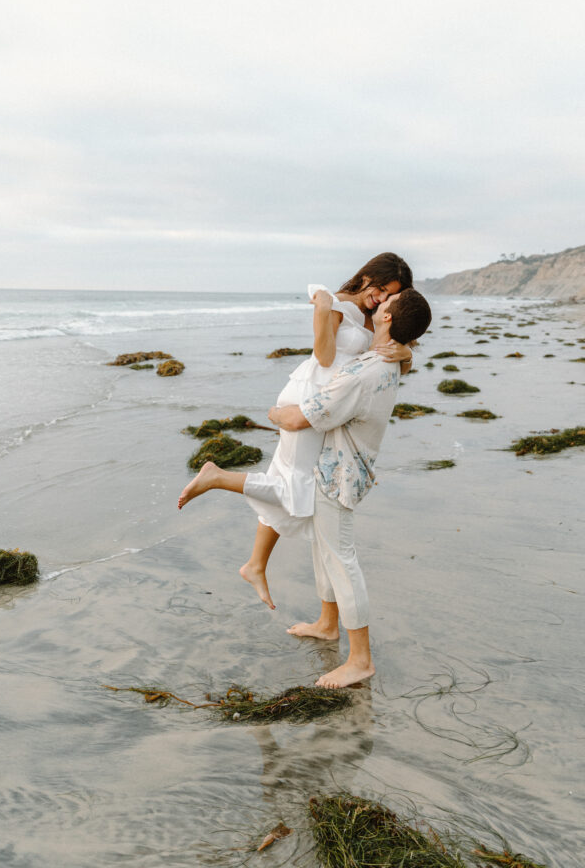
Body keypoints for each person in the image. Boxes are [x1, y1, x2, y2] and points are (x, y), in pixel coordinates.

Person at [178, 287, 433, 688]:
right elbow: (386, 360)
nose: (380, 303)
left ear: (387, 318)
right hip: (336, 469)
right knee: (324, 548)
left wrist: (273, 413)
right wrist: (407, 352)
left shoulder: (368, 372)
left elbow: (303, 418)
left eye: (387, 303)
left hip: (339, 475)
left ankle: (361, 659)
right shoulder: (382, 359)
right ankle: (328, 623)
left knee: (341, 560)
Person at [178, 253, 414, 611]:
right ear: (366, 276)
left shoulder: (374, 317)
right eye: (380, 288)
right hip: (310, 398)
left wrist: (405, 351)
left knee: (295, 483)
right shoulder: (333, 303)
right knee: (297, 487)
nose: (380, 298)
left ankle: (256, 565)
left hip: (332, 404)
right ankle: (217, 477)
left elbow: (389, 361)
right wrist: (320, 311)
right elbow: (323, 356)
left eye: (389, 295)